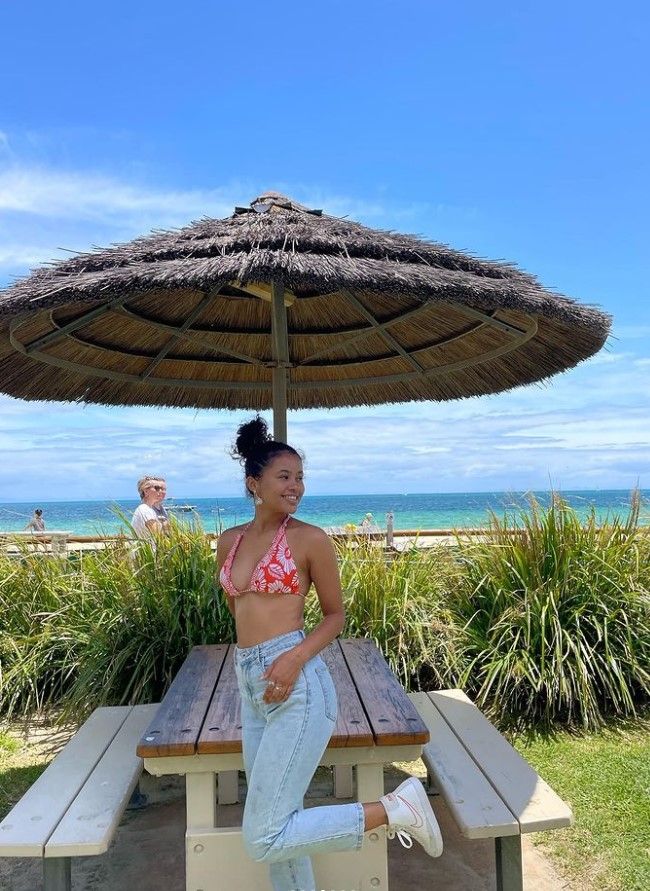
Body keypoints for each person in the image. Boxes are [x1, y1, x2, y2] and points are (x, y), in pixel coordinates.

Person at [216, 416, 442, 891]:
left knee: (263, 836)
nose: (296, 486)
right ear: (254, 482)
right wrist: (257, 663)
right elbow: (239, 610)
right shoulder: (229, 541)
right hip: (251, 684)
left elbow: (335, 616)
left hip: (298, 684)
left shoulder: (309, 539)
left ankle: (395, 809)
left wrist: (293, 657)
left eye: (300, 477)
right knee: (282, 819)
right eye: (284, 476)